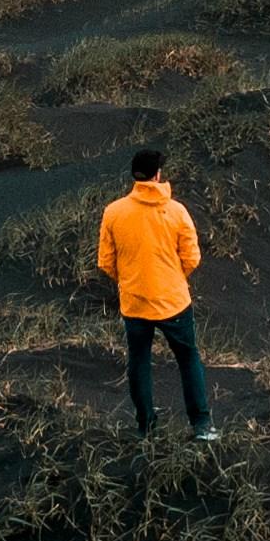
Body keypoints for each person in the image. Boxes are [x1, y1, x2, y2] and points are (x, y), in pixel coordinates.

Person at [95, 145, 215, 440]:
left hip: (134, 302)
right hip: (173, 301)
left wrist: (131, 281)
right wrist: (173, 278)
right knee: (188, 359)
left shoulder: (113, 212)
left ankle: (146, 428)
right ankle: (201, 426)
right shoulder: (176, 211)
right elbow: (193, 257)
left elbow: (105, 262)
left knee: (139, 361)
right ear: (157, 175)